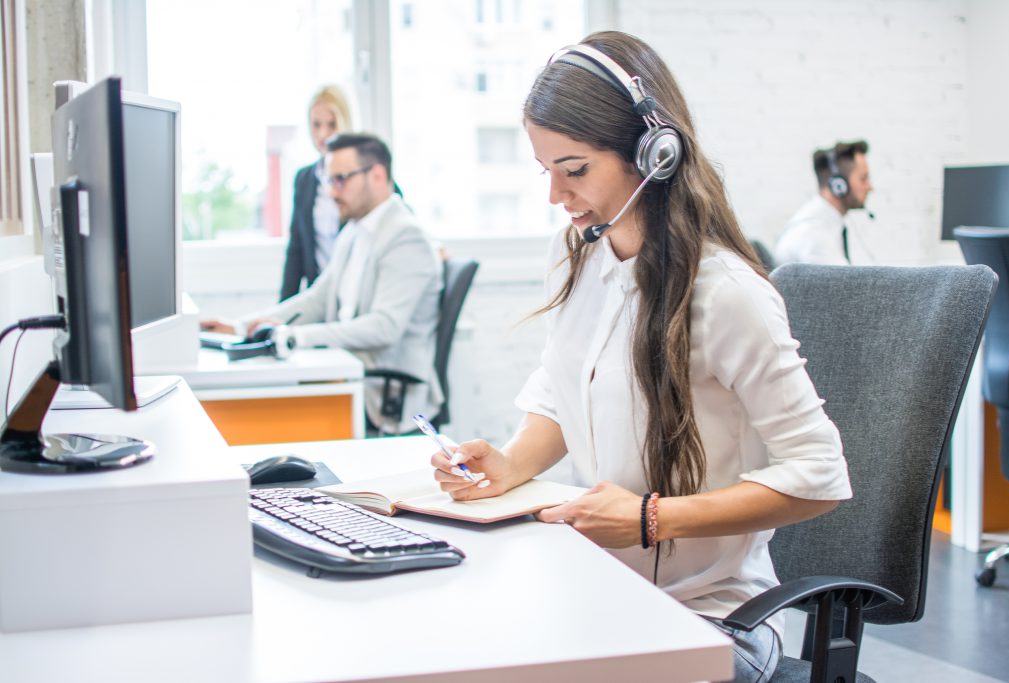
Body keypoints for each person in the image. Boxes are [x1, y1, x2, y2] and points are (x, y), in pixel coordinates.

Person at [428, 32, 851, 682]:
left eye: (575, 170)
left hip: (711, 621)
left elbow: (820, 473)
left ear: (654, 154)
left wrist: (653, 518)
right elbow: (561, 387)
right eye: (546, 171)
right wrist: (510, 464)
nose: (557, 196)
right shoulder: (577, 256)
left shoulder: (727, 294)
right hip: (602, 595)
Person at [203, 133, 442, 434]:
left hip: (384, 395)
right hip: (349, 374)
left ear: (378, 175)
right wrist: (243, 326)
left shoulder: (406, 236)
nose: (332, 192)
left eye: (341, 180)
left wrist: (295, 337)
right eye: (329, 181)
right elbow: (316, 299)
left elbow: (384, 326)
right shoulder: (354, 231)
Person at [279, 86, 353, 301]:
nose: (323, 134)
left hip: (354, 297)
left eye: (332, 124)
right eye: (316, 125)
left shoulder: (364, 175)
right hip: (319, 297)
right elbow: (296, 251)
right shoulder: (304, 180)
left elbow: (397, 215)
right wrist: (280, 314)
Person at [774, 140, 873, 266]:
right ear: (839, 185)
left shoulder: (824, 223)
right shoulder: (815, 235)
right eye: (863, 179)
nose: (870, 187)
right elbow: (842, 285)